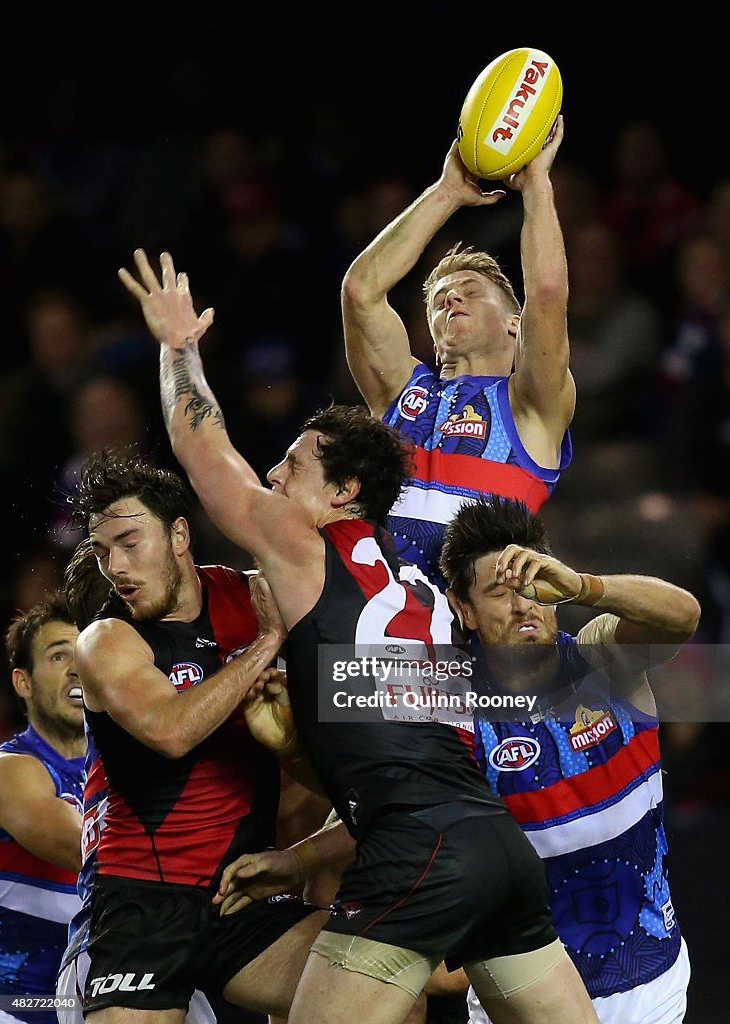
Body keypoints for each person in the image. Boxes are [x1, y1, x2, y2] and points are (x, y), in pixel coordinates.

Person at [117, 246, 599, 1024]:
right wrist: (293, 758)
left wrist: (178, 345)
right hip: (496, 851)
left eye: (292, 467)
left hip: (418, 859)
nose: (273, 480)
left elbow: (200, 444)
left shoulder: (310, 556)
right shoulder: (427, 599)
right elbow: (394, 751)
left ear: (345, 493)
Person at [63, 449, 329, 1024]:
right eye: (103, 551)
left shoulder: (250, 594)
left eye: (130, 543)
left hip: (240, 897)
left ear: (179, 534)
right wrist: (265, 644)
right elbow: (170, 731)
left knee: (392, 991)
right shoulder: (105, 640)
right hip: (142, 904)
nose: (116, 566)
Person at [438, 494, 700, 1024]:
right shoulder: (453, 715)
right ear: (462, 608)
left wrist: (586, 587)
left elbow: (684, 616)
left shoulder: (603, 658)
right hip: (518, 1008)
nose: (523, 605)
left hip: (650, 993)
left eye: (534, 586)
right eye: (499, 592)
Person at [340, 116, 574, 592]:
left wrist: (536, 186)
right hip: (375, 626)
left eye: (468, 290)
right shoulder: (400, 390)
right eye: (439, 299)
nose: (451, 299)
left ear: (515, 323)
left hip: (476, 632)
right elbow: (361, 290)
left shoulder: (530, 403)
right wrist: (447, 191)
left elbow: (547, 292)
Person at [0, 593, 85, 1024]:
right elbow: (84, 851)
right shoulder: (8, 770)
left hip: (100, 996)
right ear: (23, 682)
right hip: (19, 1006)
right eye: (57, 655)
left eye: (85, 652)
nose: (77, 668)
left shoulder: (125, 765)